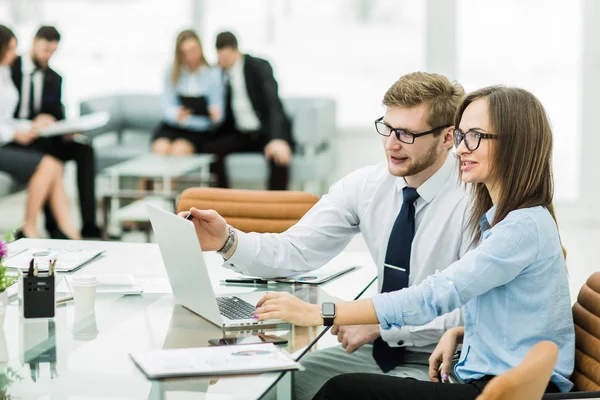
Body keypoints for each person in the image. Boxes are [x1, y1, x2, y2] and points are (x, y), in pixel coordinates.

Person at [253, 86, 576, 399]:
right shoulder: (510, 221)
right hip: (487, 377)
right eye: (462, 136)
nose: (461, 148)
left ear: (515, 145)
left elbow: (434, 295)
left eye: (475, 137)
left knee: (344, 390)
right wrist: (460, 332)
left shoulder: (521, 227)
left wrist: (320, 313)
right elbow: (511, 317)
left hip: (506, 390)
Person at [181, 72, 471, 400]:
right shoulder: (367, 185)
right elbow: (295, 249)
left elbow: (476, 309)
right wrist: (227, 240)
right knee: (276, 386)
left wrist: (382, 324)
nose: (391, 144)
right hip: (375, 352)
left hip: (445, 361)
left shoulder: (474, 200)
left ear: (448, 138)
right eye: (388, 128)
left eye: (406, 134)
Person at [10, 26, 101, 239]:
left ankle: (89, 226)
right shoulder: (10, 68)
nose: (47, 56)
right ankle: (54, 227)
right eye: (44, 50)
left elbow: (57, 113)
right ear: (34, 42)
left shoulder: (54, 78)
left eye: (52, 52)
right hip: (19, 136)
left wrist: (64, 127)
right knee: (52, 160)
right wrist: (32, 122)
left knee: (84, 150)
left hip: (44, 137)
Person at [0, 25, 80, 240]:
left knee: (55, 165)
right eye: (10, 50)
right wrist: (14, 135)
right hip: (3, 143)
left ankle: (72, 234)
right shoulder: (9, 71)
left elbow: (5, 118)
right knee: (47, 165)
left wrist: (30, 127)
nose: (14, 55)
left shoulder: (5, 73)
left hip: (6, 140)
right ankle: (29, 228)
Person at [207, 31, 294, 190]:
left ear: (236, 51)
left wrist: (277, 138)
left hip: (265, 131)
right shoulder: (219, 74)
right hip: (241, 133)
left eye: (226, 57)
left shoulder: (259, 67)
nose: (223, 61)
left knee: (278, 157)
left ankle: (275, 209)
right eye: (220, 57)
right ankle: (222, 202)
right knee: (213, 151)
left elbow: (273, 104)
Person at [151, 29, 224, 156]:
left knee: (178, 151)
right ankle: (151, 176)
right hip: (173, 126)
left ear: (200, 48)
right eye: (185, 53)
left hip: (198, 129)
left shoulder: (213, 73)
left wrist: (215, 114)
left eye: (193, 50)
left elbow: (218, 112)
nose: (190, 56)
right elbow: (167, 106)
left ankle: (165, 177)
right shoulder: (172, 72)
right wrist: (176, 114)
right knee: (161, 148)